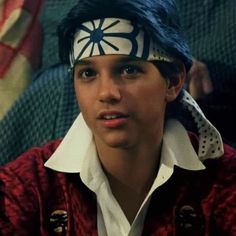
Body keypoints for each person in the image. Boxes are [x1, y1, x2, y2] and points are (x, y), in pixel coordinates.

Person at [0, 0, 235, 235]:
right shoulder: (26, 188)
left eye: (129, 70)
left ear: (173, 81)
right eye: (88, 73)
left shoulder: (222, 183)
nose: (107, 93)